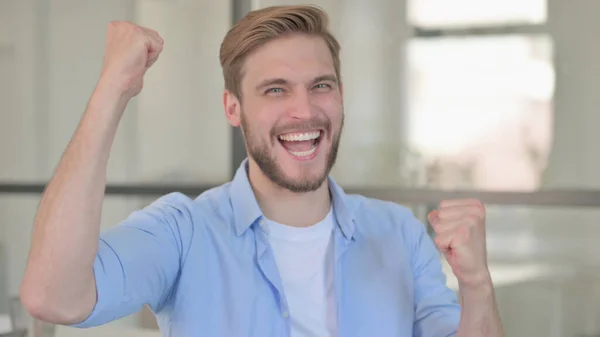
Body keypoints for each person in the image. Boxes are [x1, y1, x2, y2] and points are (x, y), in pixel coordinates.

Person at [19, 5, 504, 337]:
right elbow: (53, 298)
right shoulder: (183, 231)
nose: (305, 111)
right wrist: (112, 91)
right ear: (233, 108)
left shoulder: (398, 233)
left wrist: (477, 284)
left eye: (320, 85)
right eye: (275, 90)